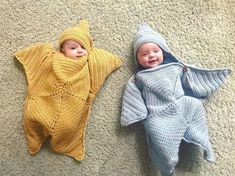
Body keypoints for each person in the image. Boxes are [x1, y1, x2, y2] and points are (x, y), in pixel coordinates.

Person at [120, 23, 231, 176]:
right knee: (156, 133)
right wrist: (138, 114)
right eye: (144, 54)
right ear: (137, 60)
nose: (151, 55)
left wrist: (186, 74)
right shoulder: (139, 78)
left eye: (155, 51)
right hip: (158, 115)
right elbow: (133, 95)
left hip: (181, 104)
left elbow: (190, 79)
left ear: (163, 52)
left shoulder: (174, 67)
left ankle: (205, 144)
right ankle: (167, 167)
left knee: (195, 104)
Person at [14, 20, 122, 160]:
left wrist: (92, 50)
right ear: (62, 50)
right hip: (47, 98)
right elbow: (37, 55)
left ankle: (64, 142)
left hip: (73, 102)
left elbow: (107, 59)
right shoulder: (52, 58)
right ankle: (35, 137)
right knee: (33, 115)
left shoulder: (90, 65)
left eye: (83, 47)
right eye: (73, 48)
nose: (79, 51)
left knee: (69, 125)